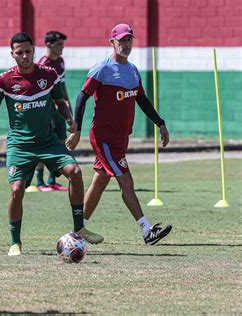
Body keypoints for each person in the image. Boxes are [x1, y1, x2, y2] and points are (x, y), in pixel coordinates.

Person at [0, 32, 104, 256]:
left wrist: (69, 120)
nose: (25, 56)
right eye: (19, 53)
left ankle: (79, 228)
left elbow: (60, 101)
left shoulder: (49, 75)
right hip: (20, 145)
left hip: (48, 142)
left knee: (75, 172)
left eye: (28, 51)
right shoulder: (4, 80)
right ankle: (15, 242)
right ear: (12, 54)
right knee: (17, 190)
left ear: (33, 51)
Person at [67, 23, 172, 245]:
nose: (126, 44)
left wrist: (160, 123)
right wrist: (76, 128)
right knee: (126, 180)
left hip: (120, 137)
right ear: (112, 42)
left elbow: (141, 99)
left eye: (129, 40)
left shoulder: (133, 70)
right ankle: (146, 231)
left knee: (100, 181)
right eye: (121, 40)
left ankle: (78, 230)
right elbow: (81, 97)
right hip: (104, 138)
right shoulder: (102, 69)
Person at [26, 31, 71, 193]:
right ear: (48, 45)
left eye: (63, 44)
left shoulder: (60, 62)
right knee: (44, 145)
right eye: (59, 44)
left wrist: (68, 107)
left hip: (59, 111)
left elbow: (62, 87)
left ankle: (52, 180)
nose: (62, 47)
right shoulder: (42, 64)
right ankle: (39, 181)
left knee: (60, 143)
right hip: (46, 111)